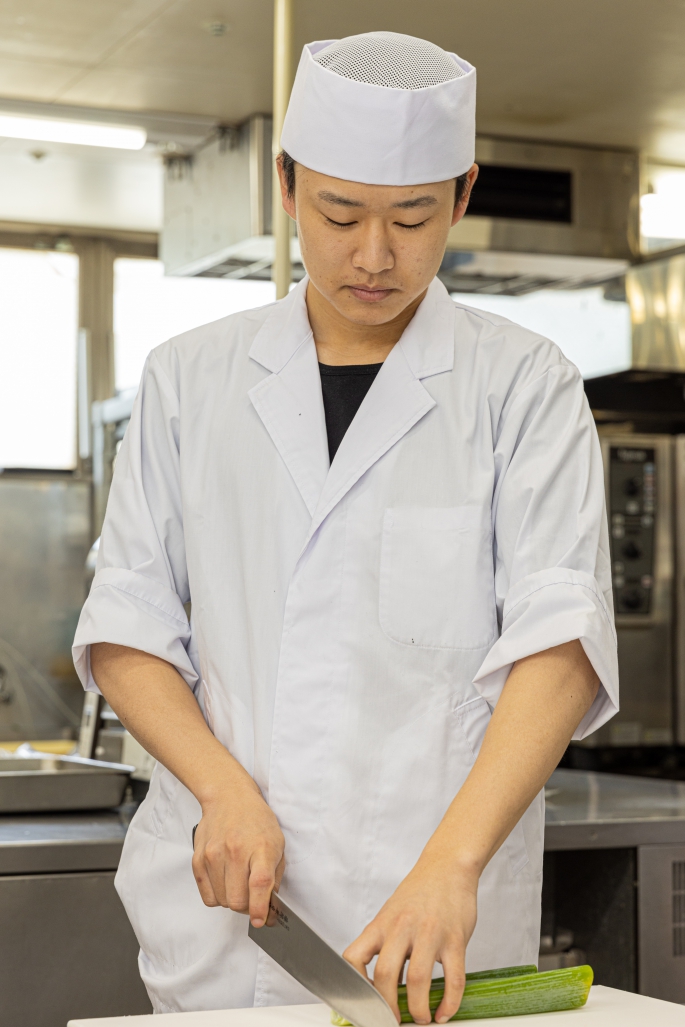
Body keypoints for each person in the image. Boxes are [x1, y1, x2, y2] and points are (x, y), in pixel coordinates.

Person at [73, 31, 618, 1022]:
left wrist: (452, 864)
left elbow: (561, 642)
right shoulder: (189, 379)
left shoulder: (523, 386)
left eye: (412, 218)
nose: (374, 255)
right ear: (287, 188)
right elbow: (127, 623)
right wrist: (218, 787)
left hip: (431, 915)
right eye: (339, 213)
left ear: (460, 196)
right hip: (226, 917)